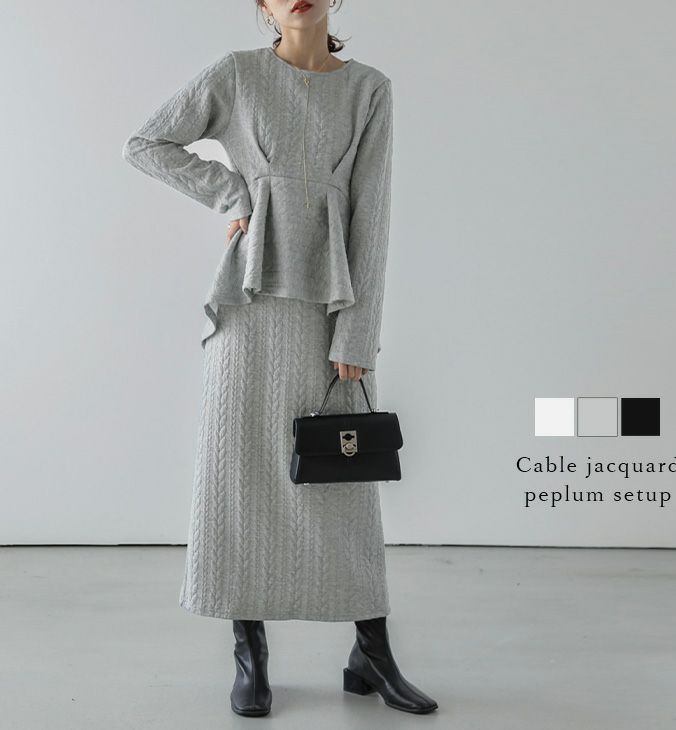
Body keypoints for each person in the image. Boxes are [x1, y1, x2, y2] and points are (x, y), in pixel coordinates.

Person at [121, 0, 437, 717]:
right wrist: (231, 190)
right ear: (261, 6)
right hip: (249, 301)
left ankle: (372, 650)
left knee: (342, 482)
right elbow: (145, 143)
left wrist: (357, 332)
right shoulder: (236, 75)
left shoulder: (369, 89)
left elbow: (372, 212)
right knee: (241, 475)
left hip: (330, 305)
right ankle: (249, 651)